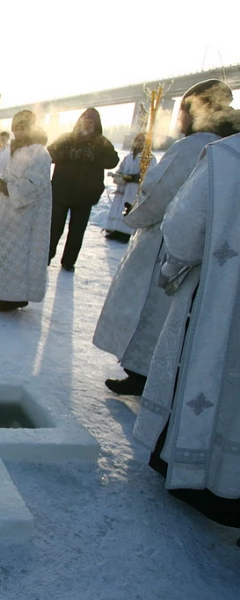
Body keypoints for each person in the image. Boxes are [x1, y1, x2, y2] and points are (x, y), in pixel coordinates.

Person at [93, 80, 236, 396]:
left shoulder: (192, 146)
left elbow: (159, 194)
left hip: (166, 244)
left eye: (183, 109)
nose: (179, 118)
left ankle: (141, 372)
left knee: (151, 310)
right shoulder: (228, 147)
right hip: (207, 249)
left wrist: (137, 207)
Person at [132, 130, 240, 533]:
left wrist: (172, 267)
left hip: (222, 303)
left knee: (208, 374)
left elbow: (183, 227)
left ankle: (193, 472)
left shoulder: (227, 157)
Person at [0, 111, 51, 312]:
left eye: (22, 128)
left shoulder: (40, 152)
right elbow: (10, 175)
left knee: (19, 255)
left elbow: (35, 184)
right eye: (15, 128)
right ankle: (1, 291)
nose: (17, 132)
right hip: (9, 211)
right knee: (5, 252)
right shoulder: (17, 149)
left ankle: (16, 297)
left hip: (27, 216)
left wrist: (6, 187)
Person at [47, 108, 119, 271]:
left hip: (85, 195)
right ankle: (47, 256)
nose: (87, 124)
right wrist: (67, 154)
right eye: (84, 120)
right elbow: (49, 153)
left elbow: (113, 160)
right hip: (62, 191)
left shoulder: (102, 142)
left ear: (96, 124)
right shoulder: (67, 138)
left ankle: (69, 261)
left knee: (77, 231)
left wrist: (94, 157)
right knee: (54, 227)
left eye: (91, 122)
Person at [103, 132, 154, 242]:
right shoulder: (128, 157)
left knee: (129, 209)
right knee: (118, 208)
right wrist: (118, 175)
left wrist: (133, 178)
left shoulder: (149, 157)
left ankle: (125, 233)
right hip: (123, 188)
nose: (140, 143)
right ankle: (114, 230)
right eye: (138, 140)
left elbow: (151, 173)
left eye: (142, 140)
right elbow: (121, 168)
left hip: (135, 189)